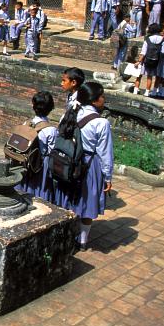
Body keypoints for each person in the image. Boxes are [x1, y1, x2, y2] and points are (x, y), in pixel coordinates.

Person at [55, 82, 113, 251]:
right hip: (88, 164)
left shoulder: (69, 114)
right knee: (87, 201)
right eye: (102, 96)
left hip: (68, 162)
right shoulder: (101, 123)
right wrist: (107, 176)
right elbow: (105, 153)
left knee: (67, 198)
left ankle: (63, 233)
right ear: (94, 101)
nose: (104, 99)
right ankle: (82, 240)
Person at [15, 91, 57, 203]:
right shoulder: (51, 130)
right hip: (41, 164)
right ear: (51, 108)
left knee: (24, 186)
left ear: (33, 106)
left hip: (25, 161)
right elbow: (52, 151)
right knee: (39, 188)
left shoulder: (26, 123)